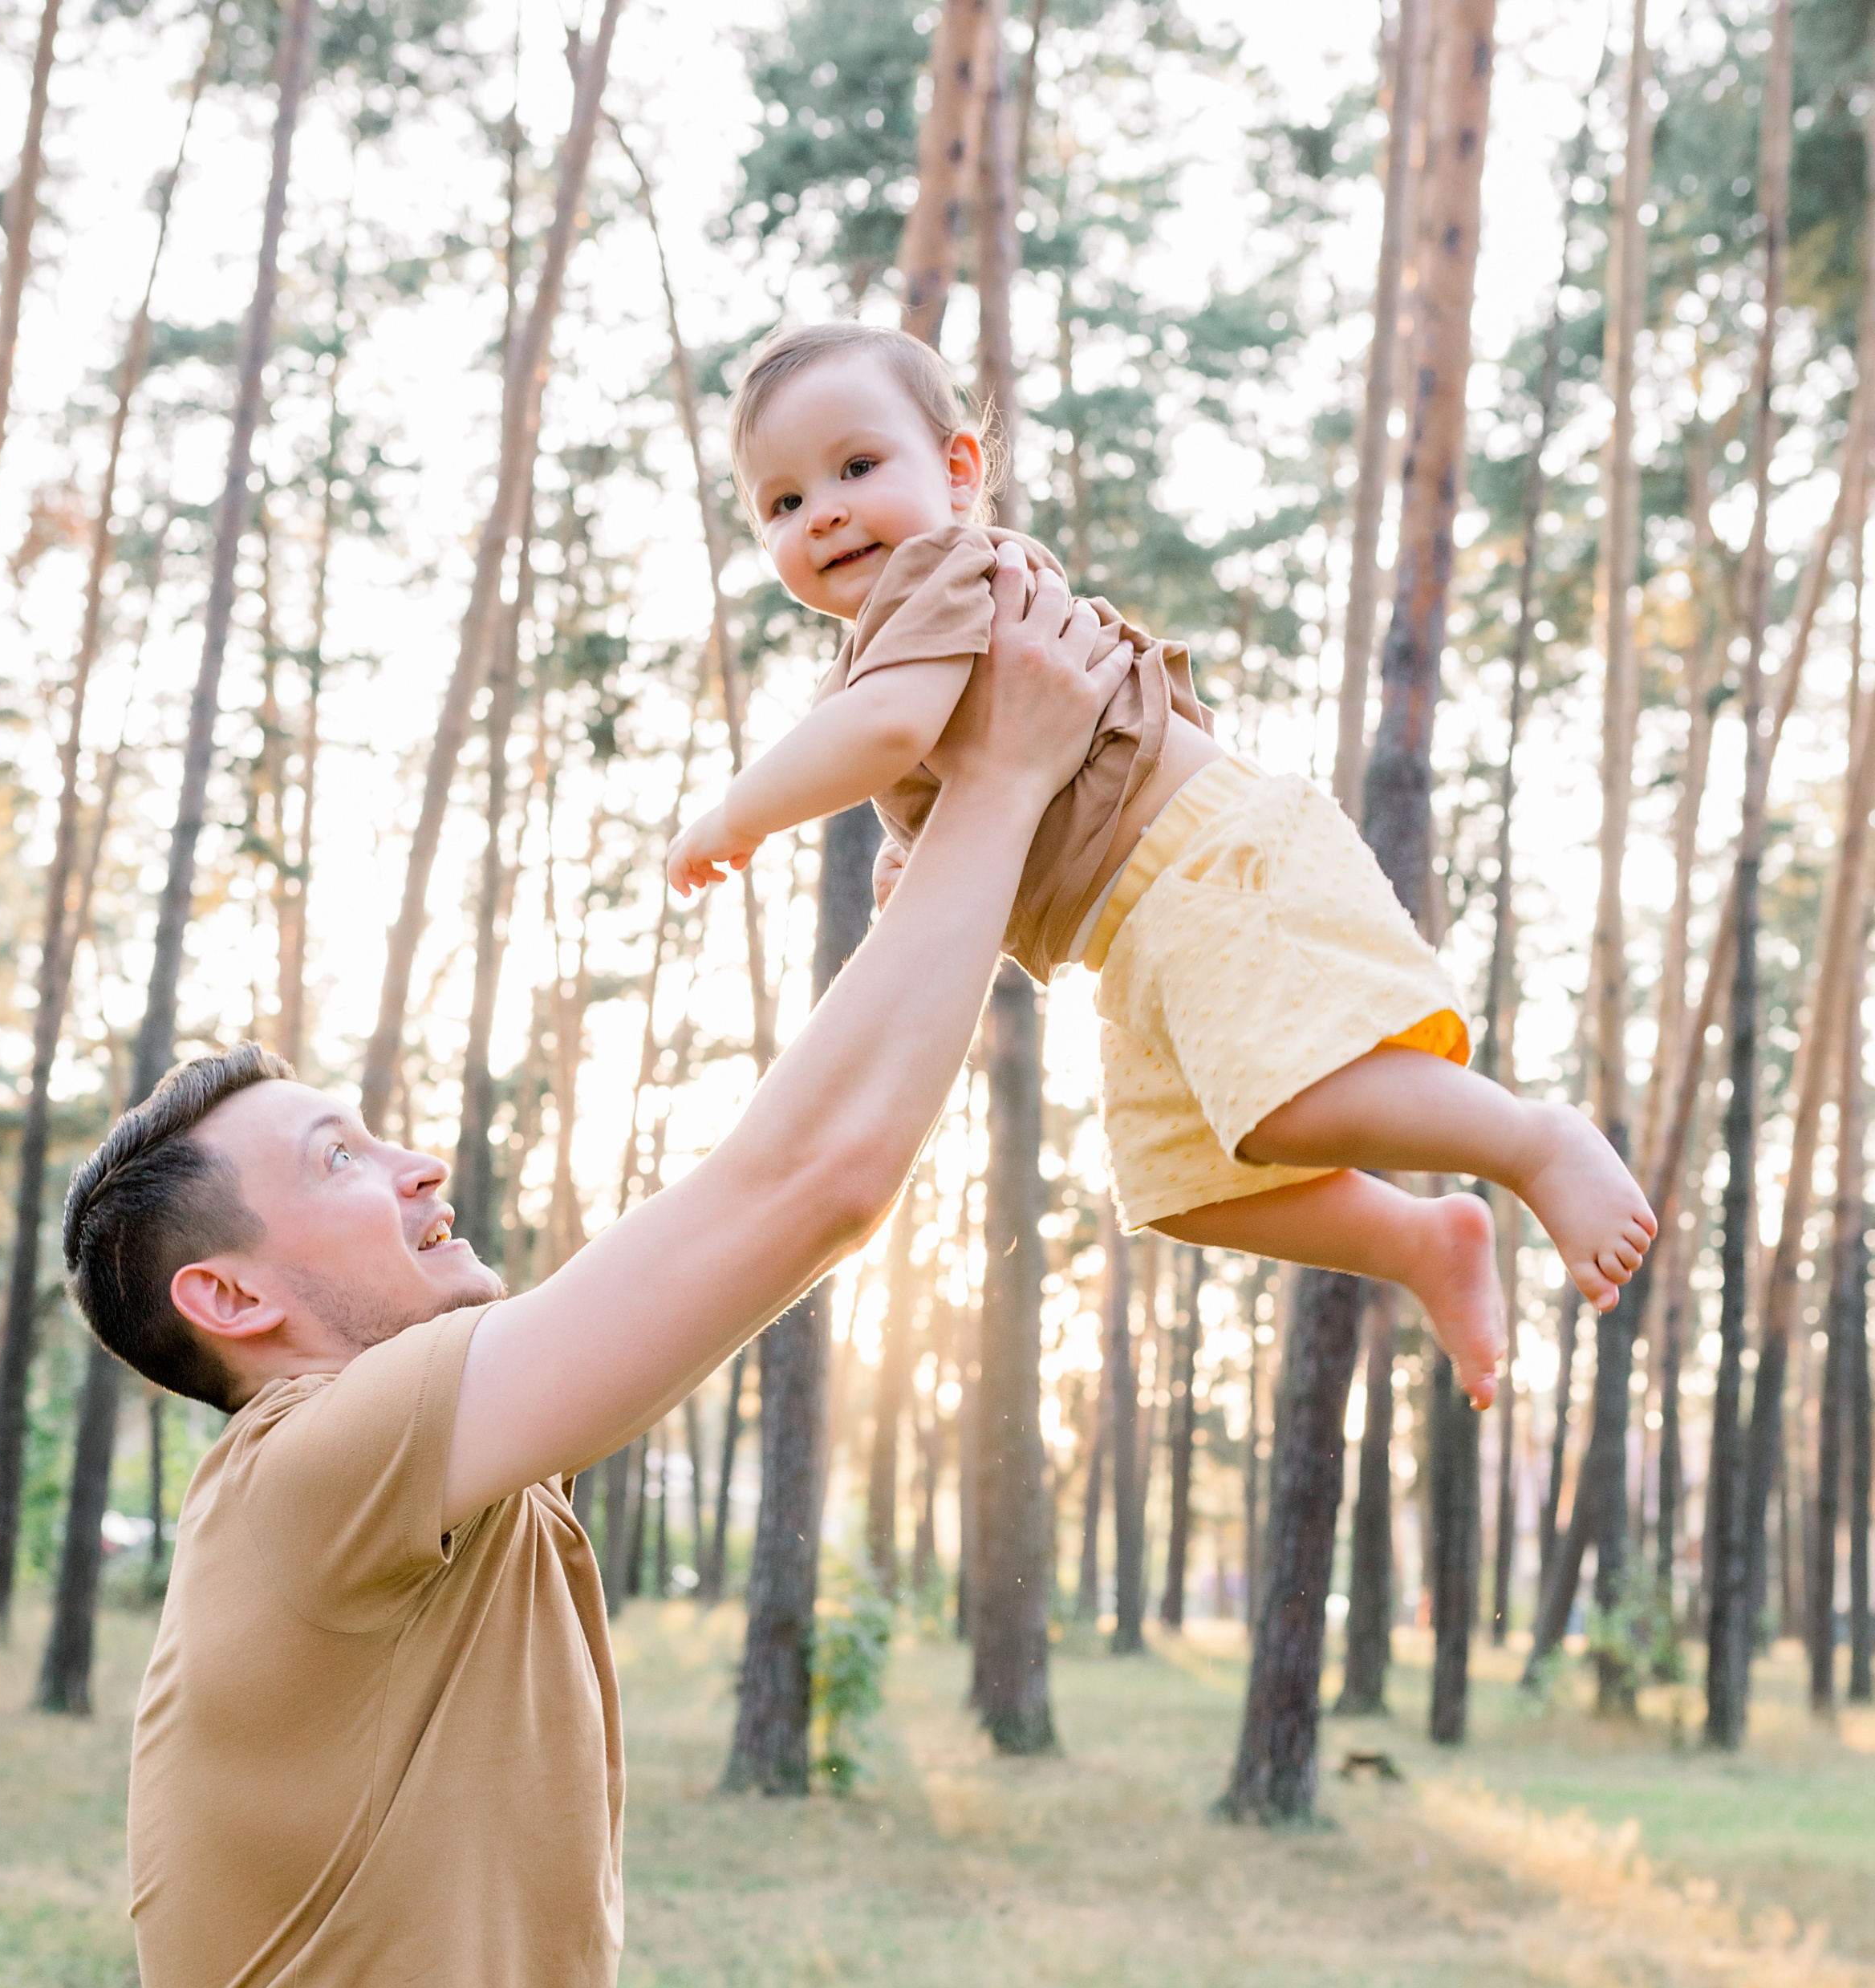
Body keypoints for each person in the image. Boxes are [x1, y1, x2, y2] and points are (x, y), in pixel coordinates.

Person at [64, 562, 1130, 1988]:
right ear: (227, 1293)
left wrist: (952, 866)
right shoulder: (313, 1471)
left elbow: (815, 1168)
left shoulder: (438, 1490)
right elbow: (804, 1186)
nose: (418, 1161)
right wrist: (1006, 782)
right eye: (340, 1158)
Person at [667, 321, 1656, 1408]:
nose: (827, 512)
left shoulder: (942, 568)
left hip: (1204, 864)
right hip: (1135, 936)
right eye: (784, 503)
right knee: (1182, 1183)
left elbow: (890, 731)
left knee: (1284, 1110)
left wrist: (735, 813)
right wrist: (917, 861)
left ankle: (1530, 1141)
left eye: (856, 466)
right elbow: (952, 766)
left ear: (958, 472)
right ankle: (1420, 1242)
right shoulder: (890, 633)